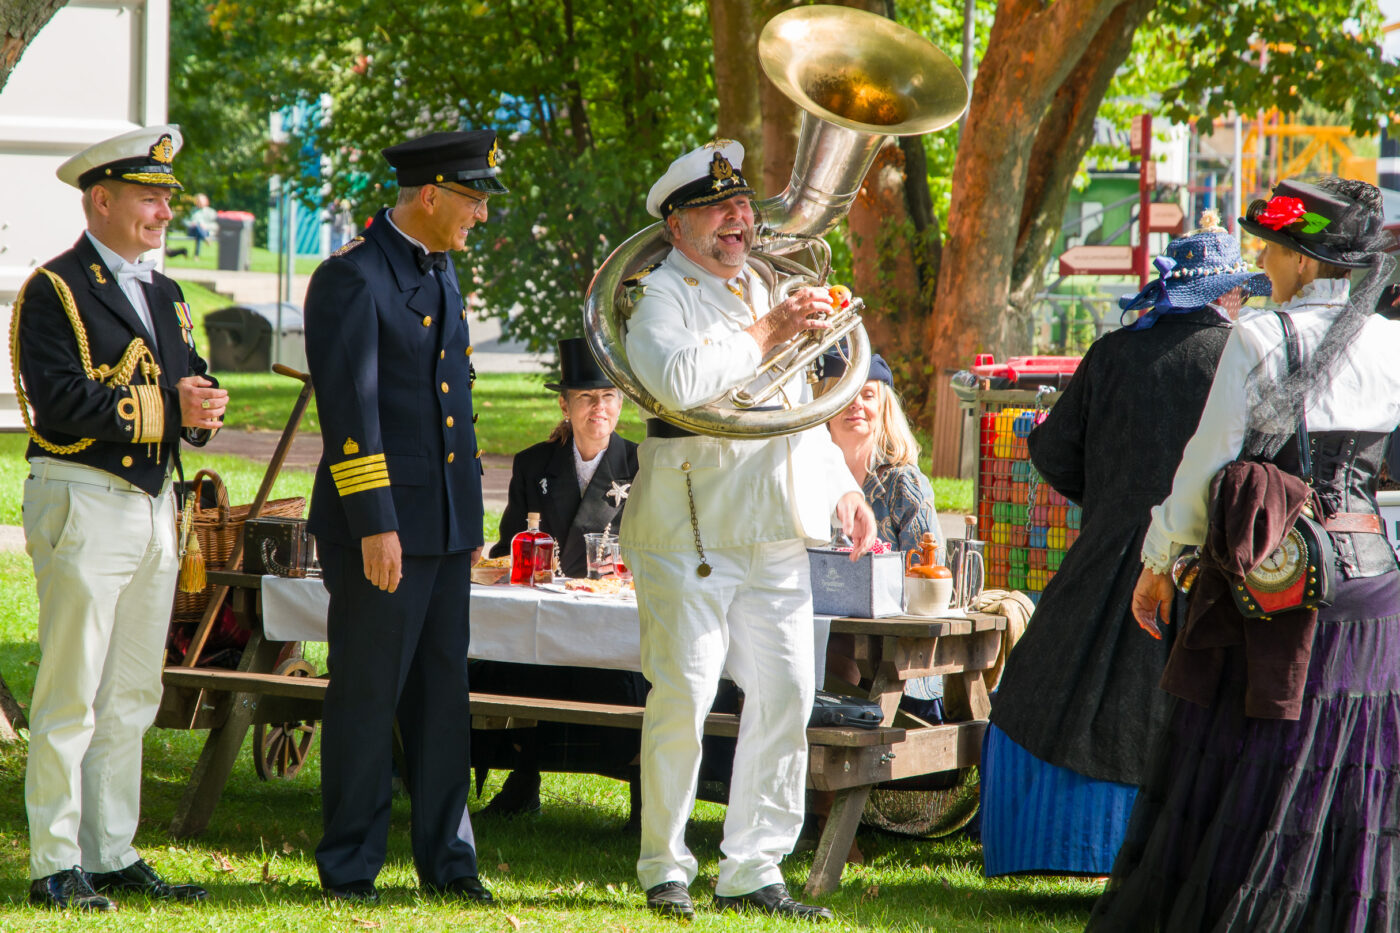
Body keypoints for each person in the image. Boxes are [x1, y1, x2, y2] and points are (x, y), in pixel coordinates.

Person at [1088, 177, 1400, 930]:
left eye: (1272, 244)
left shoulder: (1257, 338)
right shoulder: (1394, 342)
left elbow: (1204, 469)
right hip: (1377, 592)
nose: (1261, 256)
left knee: (1258, 761)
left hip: (1278, 587)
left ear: (1302, 262)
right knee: (1353, 765)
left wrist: (1159, 563)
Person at [621, 139, 876, 922]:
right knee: (685, 693)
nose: (740, 218)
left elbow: (795, 410)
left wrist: (843, 487)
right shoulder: (656, 296)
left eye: (742, 206)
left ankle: (754, 867)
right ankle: (665, 863)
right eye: (717, 208)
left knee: (789, 694)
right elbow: (679, 382)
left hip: (770, 527)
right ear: (676, 226)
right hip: (687, 527)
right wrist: (768, 330)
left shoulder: (764, 284)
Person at [977, 214, 1269, 878]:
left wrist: (1110, 501)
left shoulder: (1111, 353)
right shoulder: (1242, 358)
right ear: (1226, 295)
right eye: (1241, 292)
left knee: (1049, 689)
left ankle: (1055, 847)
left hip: (1105, 555)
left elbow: (1052, 453)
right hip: (1206, 568)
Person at [13, 125, 226, 911]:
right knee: (72, 688)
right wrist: (173, 406)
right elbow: (61, 401)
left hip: (151, 506)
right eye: (149, 196)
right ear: (100, 199)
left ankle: (109, 851)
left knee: (132, 688)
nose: (164, 211)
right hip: (84, 498)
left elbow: (186, 391)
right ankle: (53, 860)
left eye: (168, 197)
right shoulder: (55, 289)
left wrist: (200, 409)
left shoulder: (166, 294)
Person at [304, 129, 506, 906]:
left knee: (441, 693)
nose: (481, 213)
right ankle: (351, 864)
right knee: (368, 691)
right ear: (431, 194)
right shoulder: (354, 278)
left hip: (446, 523)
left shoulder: (438, 270)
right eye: (474, 197)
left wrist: (468, 519)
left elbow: (449, 404)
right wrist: (375, 523)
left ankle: (450, 861)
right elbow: (352, 414)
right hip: (382, 525)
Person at [471, 336, 645, 818]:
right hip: (546, 612)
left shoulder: (640, 463)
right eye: (586, 398)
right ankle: (524, 778)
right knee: (513, 664)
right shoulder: (534, 463)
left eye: (608, 396)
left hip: (616, 616)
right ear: (565, 405)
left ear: (621, 403)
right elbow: (510, 546)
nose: (599, 408)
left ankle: (642, 794)